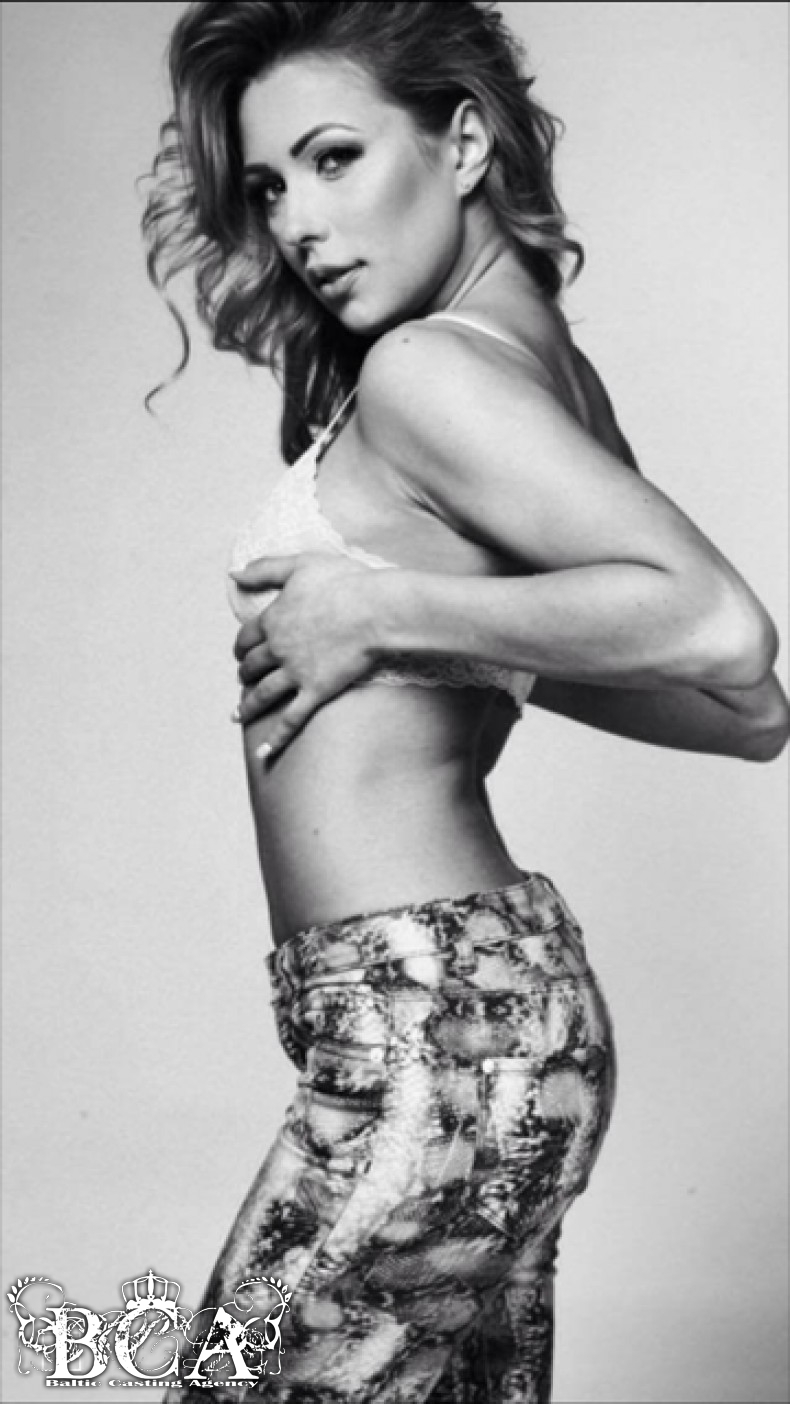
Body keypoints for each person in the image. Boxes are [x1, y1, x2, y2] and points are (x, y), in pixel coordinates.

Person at [142, 3, 789, 1399]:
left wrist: (383, 608)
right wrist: (454, 634)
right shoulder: (536, 367)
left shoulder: (428, 368)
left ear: (465, 141)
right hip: (494, 1021)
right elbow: (748, 716)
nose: (299, 223)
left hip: (427, 1028)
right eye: (269, 186)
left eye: (333, 157)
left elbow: (724, 635)